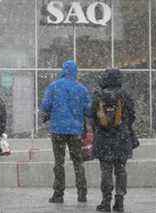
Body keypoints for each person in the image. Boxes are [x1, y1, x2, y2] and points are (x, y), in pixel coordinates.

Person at [40, 60, 91, 203]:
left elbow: (45, 105)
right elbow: (88, 110)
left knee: (59, 162)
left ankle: (58, 194)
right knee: (78, 162)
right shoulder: (81, 88)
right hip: (75, 131)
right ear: (76, 71)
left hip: (58, 130)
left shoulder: (54, 86)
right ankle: (82, 193)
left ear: (63, 70)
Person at [91, 69, 136, 212]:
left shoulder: (98, 95)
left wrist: (100, 127)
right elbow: (132, 116)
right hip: (121, 138)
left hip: (103, 139)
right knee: (121, 170)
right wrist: (123, 127)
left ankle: (106, 201)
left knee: (106, 170)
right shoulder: (125, 95)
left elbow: (92, 117)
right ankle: (119, 200)